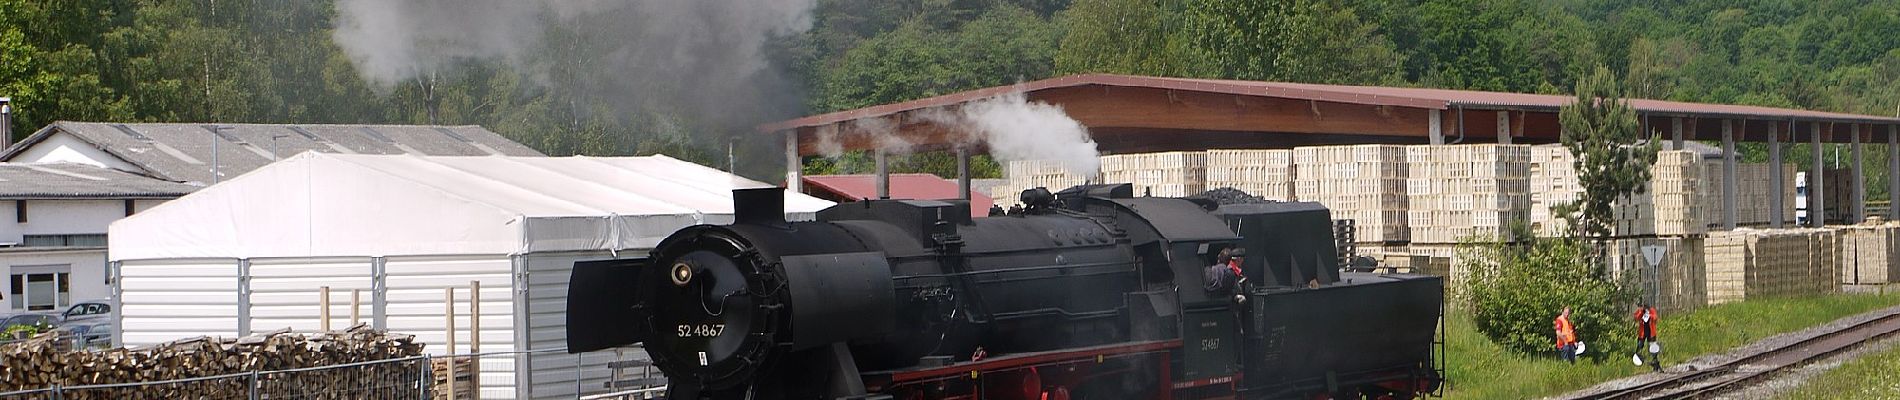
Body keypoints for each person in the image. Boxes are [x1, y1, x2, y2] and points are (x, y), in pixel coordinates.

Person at [1633, 303, 1661, 371]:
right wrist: (1641, 313)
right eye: (1644, 308)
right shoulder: (1640, 311)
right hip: (1642, 333)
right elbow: (1636, 317)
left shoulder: (1652, 311)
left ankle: (1655, 364)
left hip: (1651, 333)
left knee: (1653, 348)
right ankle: (1638, 361)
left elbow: (1655, 318)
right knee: (1639, 346)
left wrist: (1649, 315)